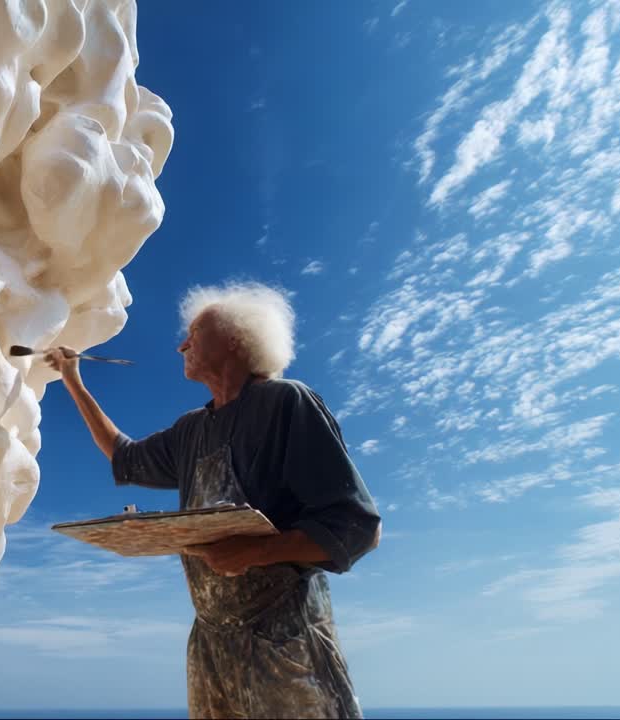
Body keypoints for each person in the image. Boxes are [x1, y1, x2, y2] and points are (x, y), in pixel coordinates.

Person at [44, 281, 381, 719]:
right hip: (211, 647)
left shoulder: (286, 403)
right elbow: (123, 455)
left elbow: (357, 527)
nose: (182, 343)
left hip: (284, 642)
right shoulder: (190, 431)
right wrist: (73, 381)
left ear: (238, 339)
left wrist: (255, 551)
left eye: (196, 332)